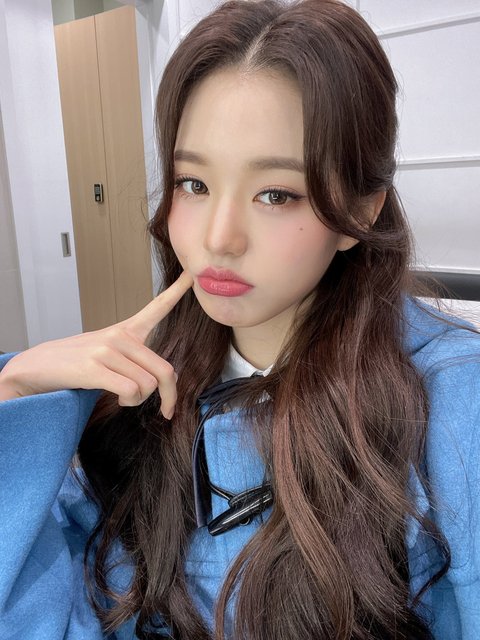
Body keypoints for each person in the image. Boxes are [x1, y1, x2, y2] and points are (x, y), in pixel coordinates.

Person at [0, 0, 479, 638]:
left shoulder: (451, 401)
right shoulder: (140, 391)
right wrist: (15, 395)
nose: (218, 239)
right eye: (193, 184)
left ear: (361, 212)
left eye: (276, 194)